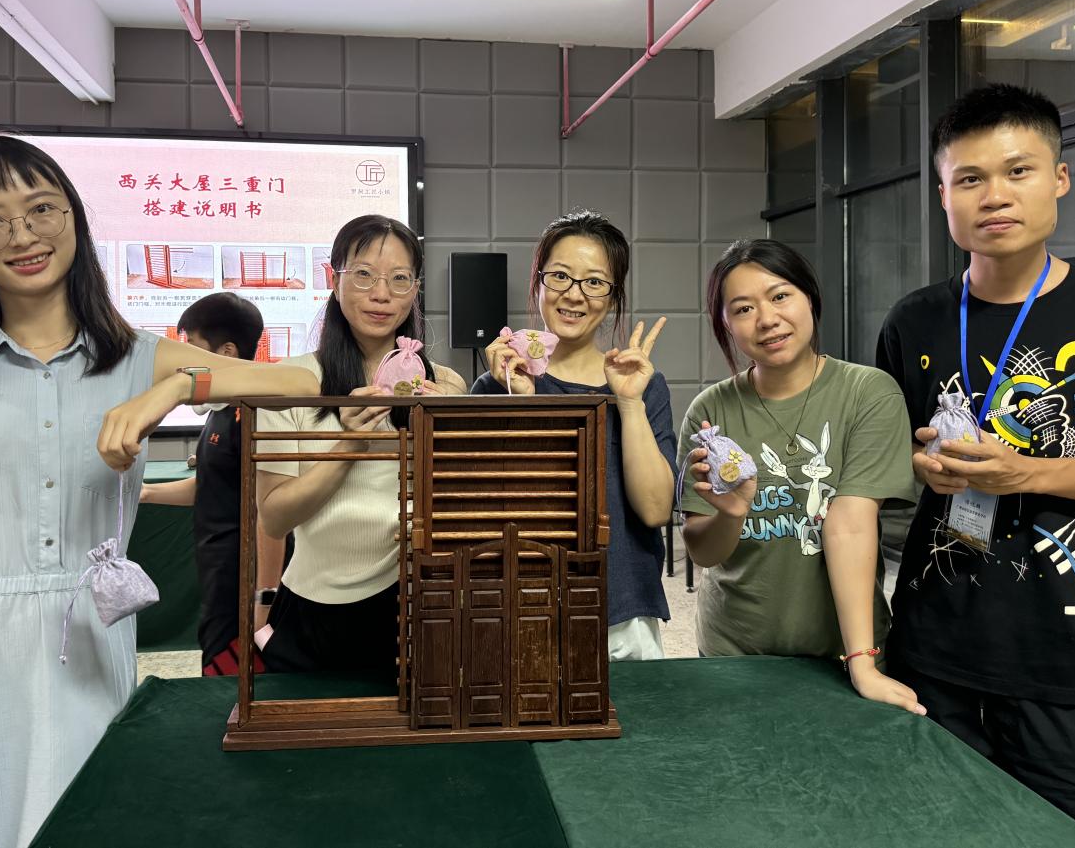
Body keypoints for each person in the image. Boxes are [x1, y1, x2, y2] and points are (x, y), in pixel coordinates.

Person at [0, 136, 316, 848]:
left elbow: (303, 379)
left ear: (73, 217)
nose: (22, 234)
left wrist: (177, 387)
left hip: (81, 643)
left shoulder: (138, 357)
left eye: (41, 208)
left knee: (83, 820)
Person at [877, 84, 1075, 845]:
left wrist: (1024, 473)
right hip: (936, 649)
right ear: (943, 195)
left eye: (1018, 171)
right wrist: (922, 465)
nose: (994, 195)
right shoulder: (914, 320)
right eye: (969, 178)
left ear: (1060, 178)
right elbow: (892, 451)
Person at [678, 238, 921, 712]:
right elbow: (703, 552)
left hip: (841, 652)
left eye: (780, 296)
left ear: (810, 297)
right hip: (733, 652)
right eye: (743, 308)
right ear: (725, 324)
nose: (767, 319)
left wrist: (862, 663)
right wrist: (731, 514)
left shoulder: (868, 393)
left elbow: (851, 526)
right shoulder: (710, 410)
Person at [255, 214, 466, 675]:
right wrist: (350, 444)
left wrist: (445, 434)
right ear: (333, 280)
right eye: (364, 274)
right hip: (314, 610)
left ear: (415, 289)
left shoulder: (446, 386)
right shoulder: (293, 383)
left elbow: (460, 509)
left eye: (399, 278)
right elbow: (275, 517)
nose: (381, 293)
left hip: (420, 602)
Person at [473, 210, 675, 660]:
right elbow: (488, 507)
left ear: (614, 295)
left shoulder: (643, 385)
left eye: (595, 282)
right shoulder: (496, 385)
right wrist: (521, 402)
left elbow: (656, 509)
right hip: (521, 605)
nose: (574, 294)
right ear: (538, 282)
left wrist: (628, 402)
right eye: (560, 276)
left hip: (622, 610)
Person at [139, 292, 291, 676]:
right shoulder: (219, 411)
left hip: (242, 576)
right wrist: (146, 493)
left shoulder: (254, 416)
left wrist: (264, 598)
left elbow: (272, 516)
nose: (180, 360)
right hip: (218, 572)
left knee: (231, 679)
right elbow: (211, 487)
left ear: (226, 352)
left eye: (191, 346)